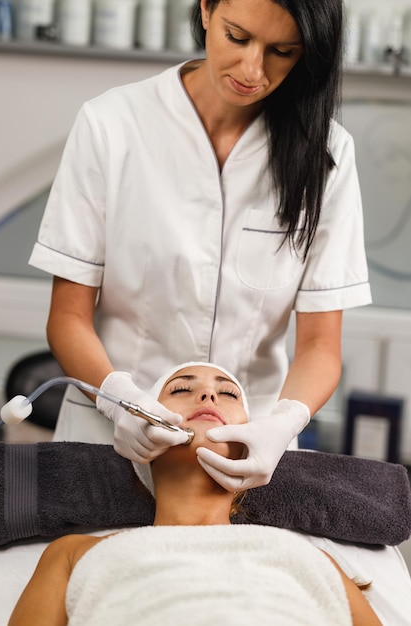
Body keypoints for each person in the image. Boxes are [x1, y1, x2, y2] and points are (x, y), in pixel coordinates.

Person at [28, 0, 372, 492]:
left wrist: (280, 426)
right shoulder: (112, 125)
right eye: (237, 37)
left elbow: (320, 345)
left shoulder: (327, 155)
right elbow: (68, 317)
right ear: (207, 9)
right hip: (107, 435)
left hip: (245, 451)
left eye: (282, 51)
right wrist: (120, 400)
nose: (253, 70)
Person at [8, 364, 381, 626]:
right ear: (142, 430)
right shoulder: (73, 554)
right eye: (182, 389)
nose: (207, 394)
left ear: (252, 441)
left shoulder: (310, 556)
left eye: (228, 394)